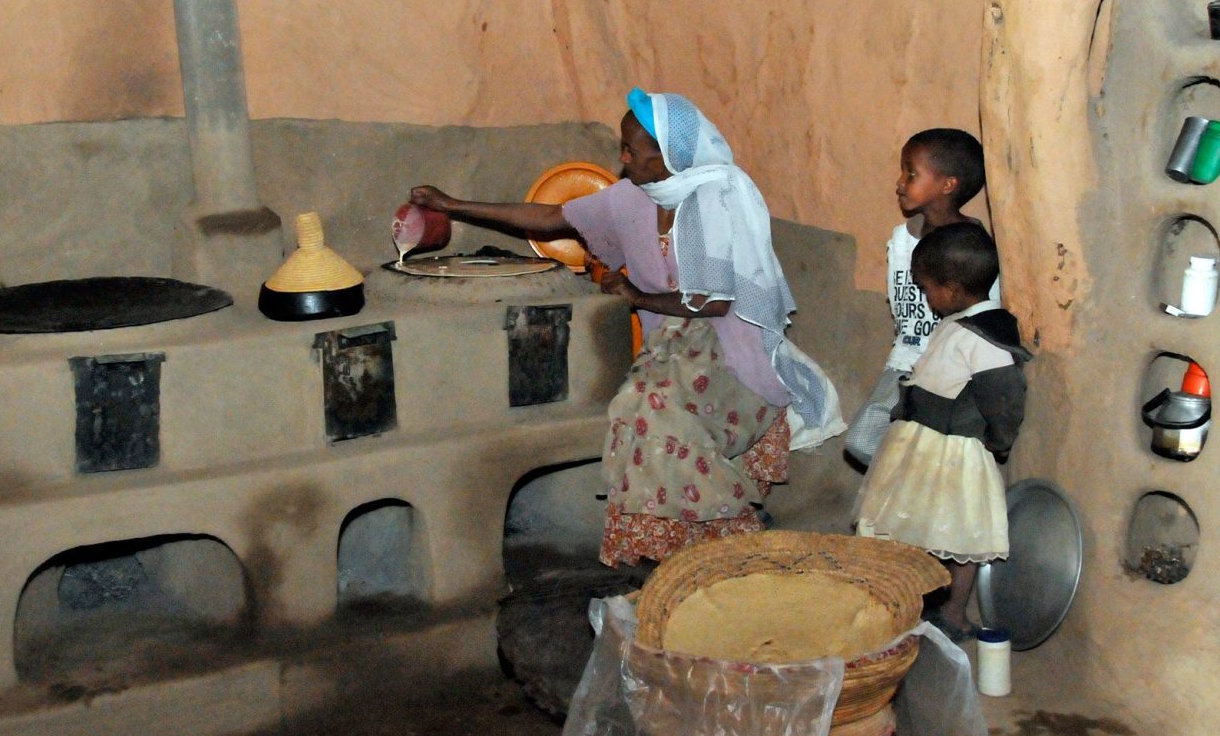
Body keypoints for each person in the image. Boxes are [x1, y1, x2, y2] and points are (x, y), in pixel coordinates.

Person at [411, 89, 842, 566]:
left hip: (730, 344)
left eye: (631, 150)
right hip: (674, 341)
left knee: (656, 408)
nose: (622, 158)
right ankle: (674, 542)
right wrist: (454, 205)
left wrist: (636, 296)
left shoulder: (715, 198)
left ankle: (728, 525)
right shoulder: (632, 197)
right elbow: (552, 216)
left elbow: (715, 303)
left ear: (668, 155)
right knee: (635, 406)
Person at [852, 222, 1029, 642]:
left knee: (960, 535)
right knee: (915, 527)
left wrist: (999, 442)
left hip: (955, 454)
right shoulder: (958, 322)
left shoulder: (987, 338)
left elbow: (1004, 400)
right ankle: (910, 604)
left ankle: (952, 613)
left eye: (927, 289)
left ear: (951, 289)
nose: (927, 299)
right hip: (922, 446)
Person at [844, 128, 997, 467]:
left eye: (911, 173)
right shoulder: (902, 239)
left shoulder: (970, 248)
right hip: (905, 362)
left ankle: (916, 497)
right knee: (862, 441)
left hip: (949, 372)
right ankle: (908, 492)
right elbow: (900, 305)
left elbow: (986, 313)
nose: (900, 182)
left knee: (928, 452)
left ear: (947, 185)